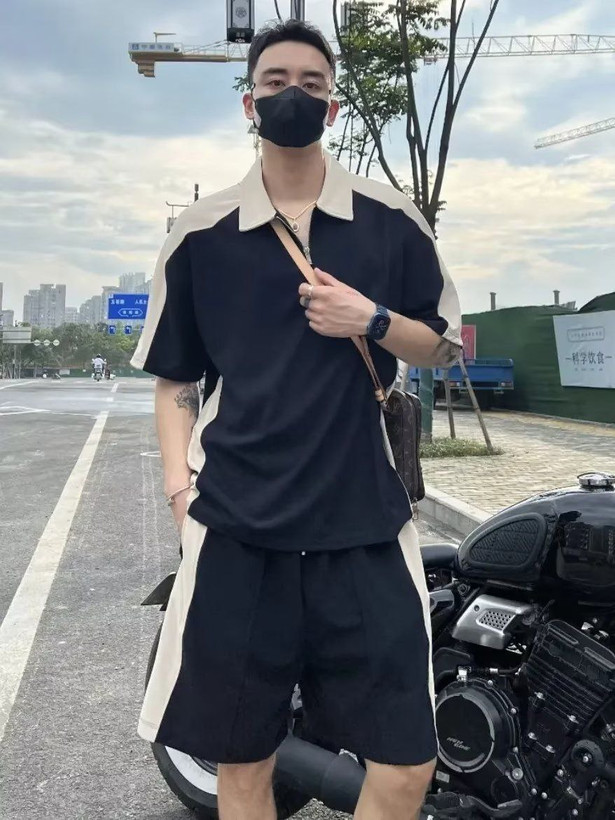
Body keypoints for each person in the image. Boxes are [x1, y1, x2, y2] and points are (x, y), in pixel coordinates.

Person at [131, 19, 461, 820]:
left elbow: (441, 346)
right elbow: (175, 378)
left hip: (363, 523)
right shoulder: (201, 234)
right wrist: (179, 492)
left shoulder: (390, 220)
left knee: (406, 765)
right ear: (249, 103)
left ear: (333, 107)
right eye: (275, 82)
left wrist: (370, 319)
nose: (293, 95)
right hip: (238, 527)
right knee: (242, 762)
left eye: (311, 84)